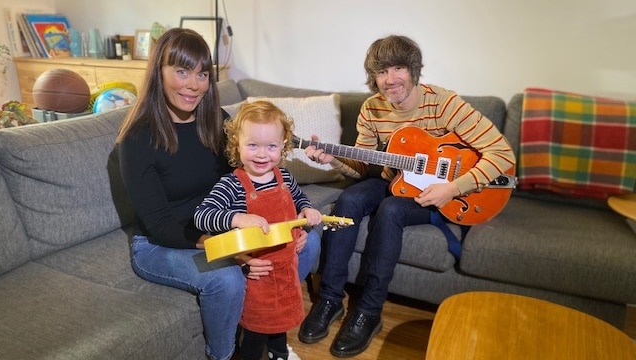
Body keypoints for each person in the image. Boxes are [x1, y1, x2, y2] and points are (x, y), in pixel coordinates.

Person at [298, 35, 516, 357]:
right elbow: (365, 167)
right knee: (349, 201)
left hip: (443, 192)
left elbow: (502, 155)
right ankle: (331, 299)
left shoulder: (444, 103)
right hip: (394, 178)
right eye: (381, 72)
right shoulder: (371, 109)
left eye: (398, 68)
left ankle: (369, 312)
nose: (390, 80)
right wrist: (334, 160)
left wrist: (453, 188)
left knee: (390, 211)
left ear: (413, 69)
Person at [116, 28, 318, 360]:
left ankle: (268, 334)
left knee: (309, 244)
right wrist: (233, 250)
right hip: (159, 244)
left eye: (202, 74)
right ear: (158, 72)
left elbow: (243, 184)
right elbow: (161, 226)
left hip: (221, 225)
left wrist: (285, 230)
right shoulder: (137, 139)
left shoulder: (216, 121)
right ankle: (223, 355)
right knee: (227, 280)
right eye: (181, 71)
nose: (193, 84)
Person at [194, 101, 322, 360]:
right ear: (236, 146)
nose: (262, 154)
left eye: (271, 146)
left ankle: (279, 354)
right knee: (256, 334)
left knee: (280, 324)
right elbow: (202, 216)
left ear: (283, 146)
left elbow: (300, 200)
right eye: (253, 145)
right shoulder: (231, 185)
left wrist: (307, 213)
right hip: (255, 276)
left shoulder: (284, 177)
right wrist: (237, 217)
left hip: (285, 271)